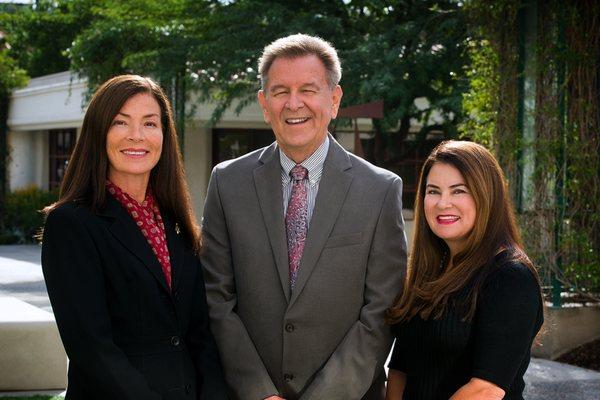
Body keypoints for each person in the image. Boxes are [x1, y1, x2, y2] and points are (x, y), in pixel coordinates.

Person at [201, 34, 407, 400]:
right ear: (264, 104)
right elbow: (217, 298)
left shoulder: (379, 189)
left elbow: (381, 311)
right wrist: (258, 392)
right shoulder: (226, 183)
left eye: (308, 89)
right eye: (280, 91)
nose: (294, 104)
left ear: (334, 99)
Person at [41, 75, 227, 400]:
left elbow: (201, 334)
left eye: (150, 123)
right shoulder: (71, 223)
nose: (137, 136)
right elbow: (93, 351)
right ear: (99, 133)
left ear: (164, 135)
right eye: (120, 122)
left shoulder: (176, 222)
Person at [385, 140, 544, 400]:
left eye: (458, 191)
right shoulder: (428, 272)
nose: (442, 203)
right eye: (433, 191)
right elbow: (401, 369)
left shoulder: (510, 277)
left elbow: (485, 390)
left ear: (486, 196)